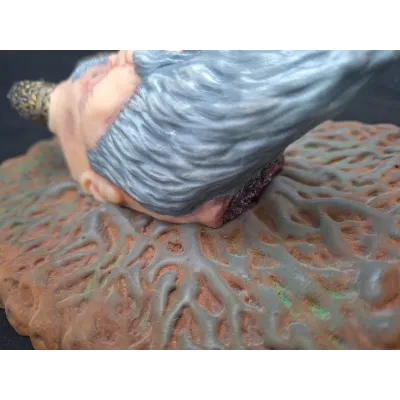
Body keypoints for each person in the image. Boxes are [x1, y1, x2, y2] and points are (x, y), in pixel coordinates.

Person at [7, 49, 400, 227]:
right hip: (168, 157)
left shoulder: (92, 102)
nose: (109, 64)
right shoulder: (113, 124)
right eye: (93, 83)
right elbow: (103, 184)